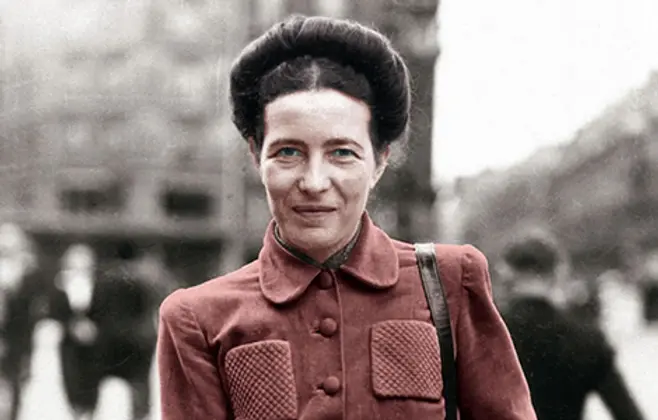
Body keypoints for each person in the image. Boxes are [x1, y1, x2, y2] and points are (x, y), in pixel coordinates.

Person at [157, 15, 535, 420]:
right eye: (288, 152)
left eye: (342, 153)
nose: (314, 182)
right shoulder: (196, 319)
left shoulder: (451, 281)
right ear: (255, 157)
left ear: (379, 162)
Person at [499, 228, 646, 420]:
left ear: (507, 275)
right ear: (559, 273)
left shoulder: (485, 335)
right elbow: (628, 413)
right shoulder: (586, 339)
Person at [49, 243, 158, 420]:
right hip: (74, 347)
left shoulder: (105, 285)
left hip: (104, 345)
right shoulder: (60, 285)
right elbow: (54, 312)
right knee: (76, 389)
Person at [0, 223, 45, 420]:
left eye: (11, 245)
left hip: (17, 343)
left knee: (13, 388)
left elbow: (33, 313)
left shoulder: (30, 276)